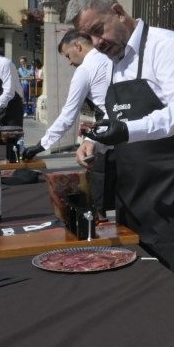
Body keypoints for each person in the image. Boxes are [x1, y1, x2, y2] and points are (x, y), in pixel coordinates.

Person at [65, 0, 174, 292]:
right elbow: (117, 117)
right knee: (141, 285)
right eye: (87, 37)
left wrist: (130, 131)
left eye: (97, 30)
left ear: (118, 12)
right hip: (132, 192)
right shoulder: (112, 60)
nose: (96, 43)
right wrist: (96, 141)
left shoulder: (166, 45)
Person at [23, 31, 115, 215]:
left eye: (67, 56)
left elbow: (68, 114)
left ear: (78, 47)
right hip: (129, 134)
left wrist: (42, 144)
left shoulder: (85, 69)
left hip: (108, 138)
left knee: (98, 199)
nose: (69, 62)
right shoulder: (111, 58)